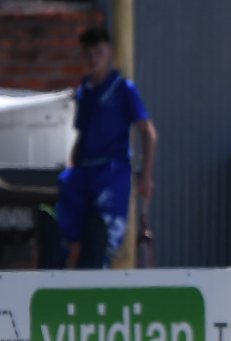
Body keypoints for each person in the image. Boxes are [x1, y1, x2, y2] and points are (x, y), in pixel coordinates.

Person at [56, 25, 156, 269]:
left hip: (111, 171)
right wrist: (73, 164)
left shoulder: (123, 89)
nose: (94, 59)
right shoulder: (84, 91)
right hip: (83, 171)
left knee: (102, 241)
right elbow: (81, 134)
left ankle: (98, 284)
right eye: (88, 53)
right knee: (69, 228)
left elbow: (148, 132)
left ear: (109, 52)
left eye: (99, 52)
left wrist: (146, 175)